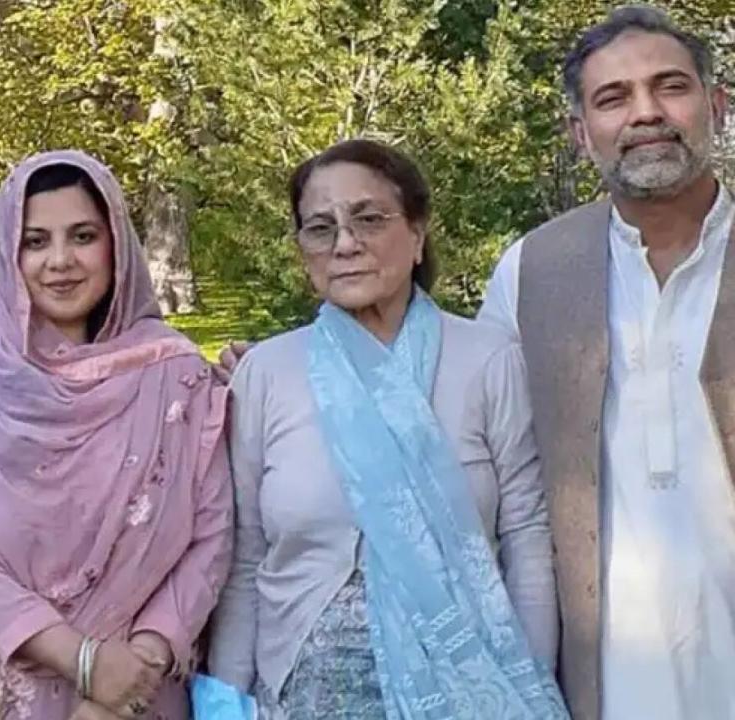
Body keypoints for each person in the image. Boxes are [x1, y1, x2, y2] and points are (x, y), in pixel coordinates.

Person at [208, 138, 566, 719]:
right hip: (305, 687)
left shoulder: (488, 359)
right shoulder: (266, 374)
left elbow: (526, 538)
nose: (345, 244)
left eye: (369, 219)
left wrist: (526, 683)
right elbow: (247, 557)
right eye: (319, 228)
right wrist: (224, 699)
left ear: (419, 234)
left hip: (471, 684)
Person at [0, 151, 233, 719]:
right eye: (35, 241)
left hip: (134, 691)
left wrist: (133, 670)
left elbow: (210, 536)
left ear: (116, 244)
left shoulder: (176, 376)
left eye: (82, 236)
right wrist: (80, 660)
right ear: (10, 253)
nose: (60, 262)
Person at [478, 6, 734, 720]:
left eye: (670, 87)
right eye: (613, 98)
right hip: (604, 671)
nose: (646, 113)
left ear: (717, 104)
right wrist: (267, 383)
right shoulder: (531, 270)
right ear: (579, 132)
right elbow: (467, 419)